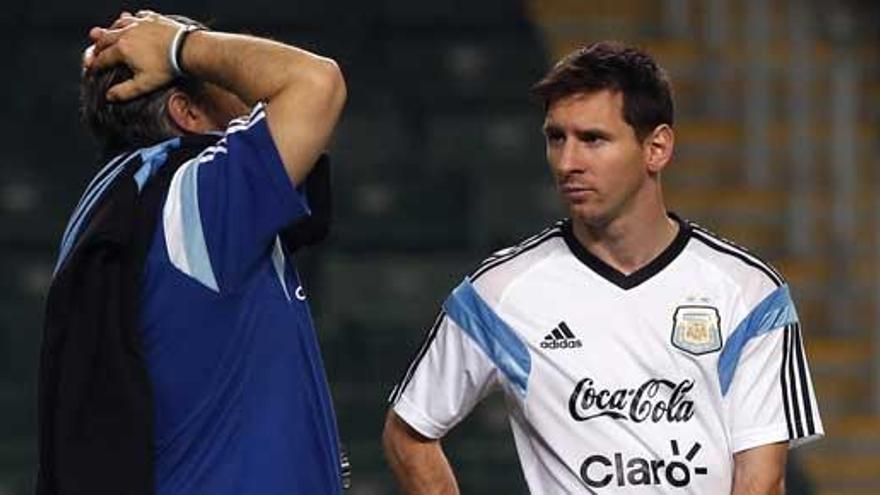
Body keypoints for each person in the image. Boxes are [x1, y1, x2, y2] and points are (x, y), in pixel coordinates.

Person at [383, 41, 823, 494]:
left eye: (593, 139)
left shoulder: (750, 294)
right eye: (557, 138)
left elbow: (762, 481)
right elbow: (409, 432)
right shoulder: (501, 294)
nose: (568, 163)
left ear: (656, 148)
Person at [38, 10, 346, 495]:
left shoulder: (120, 202)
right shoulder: (198, 198)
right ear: (187, 112)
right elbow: (315, 81)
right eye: (220, 81)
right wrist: (181, 45)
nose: (250, 97)